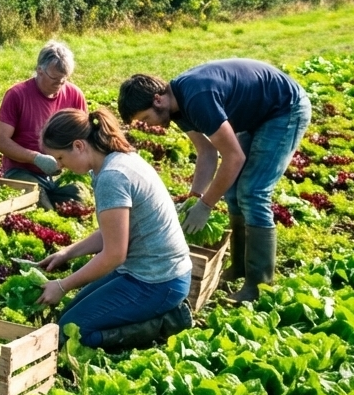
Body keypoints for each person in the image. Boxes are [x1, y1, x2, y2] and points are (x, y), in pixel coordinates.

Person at [118, 59, 310, 302]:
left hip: (285, 109)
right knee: (231, 193)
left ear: (157, 99)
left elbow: (233, 158)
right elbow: (207, 153)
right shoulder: (177, 108)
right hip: (258, 114)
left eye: (145, 118)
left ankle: (259, 286)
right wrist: (194, 199)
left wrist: (206, 206)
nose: (148, 126)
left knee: (253, 192)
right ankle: (239, 267)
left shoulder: (198, 99)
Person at [36, 108, 194, 349]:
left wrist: (62, 285)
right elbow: (115, 232)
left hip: (159, 280)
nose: (60, 166)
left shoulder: (113, 176)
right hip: (143, 271)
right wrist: (68, 252)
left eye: (60, 157)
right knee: (66, 321)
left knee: (69, 336)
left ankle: (164, 323)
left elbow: (114, 255)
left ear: (79, 146)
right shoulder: (117, 160)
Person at [0, 41, 87, 210]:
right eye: (55, 78)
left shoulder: (74, 95)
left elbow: (85, 137)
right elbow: (0, 141)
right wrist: (36, 158)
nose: (60, 83)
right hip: (23, 172)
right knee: (41, 205)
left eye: (64, 79)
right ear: (39, 70)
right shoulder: (17, 95)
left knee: (81, 196)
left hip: (60, 173)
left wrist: (65, 161)